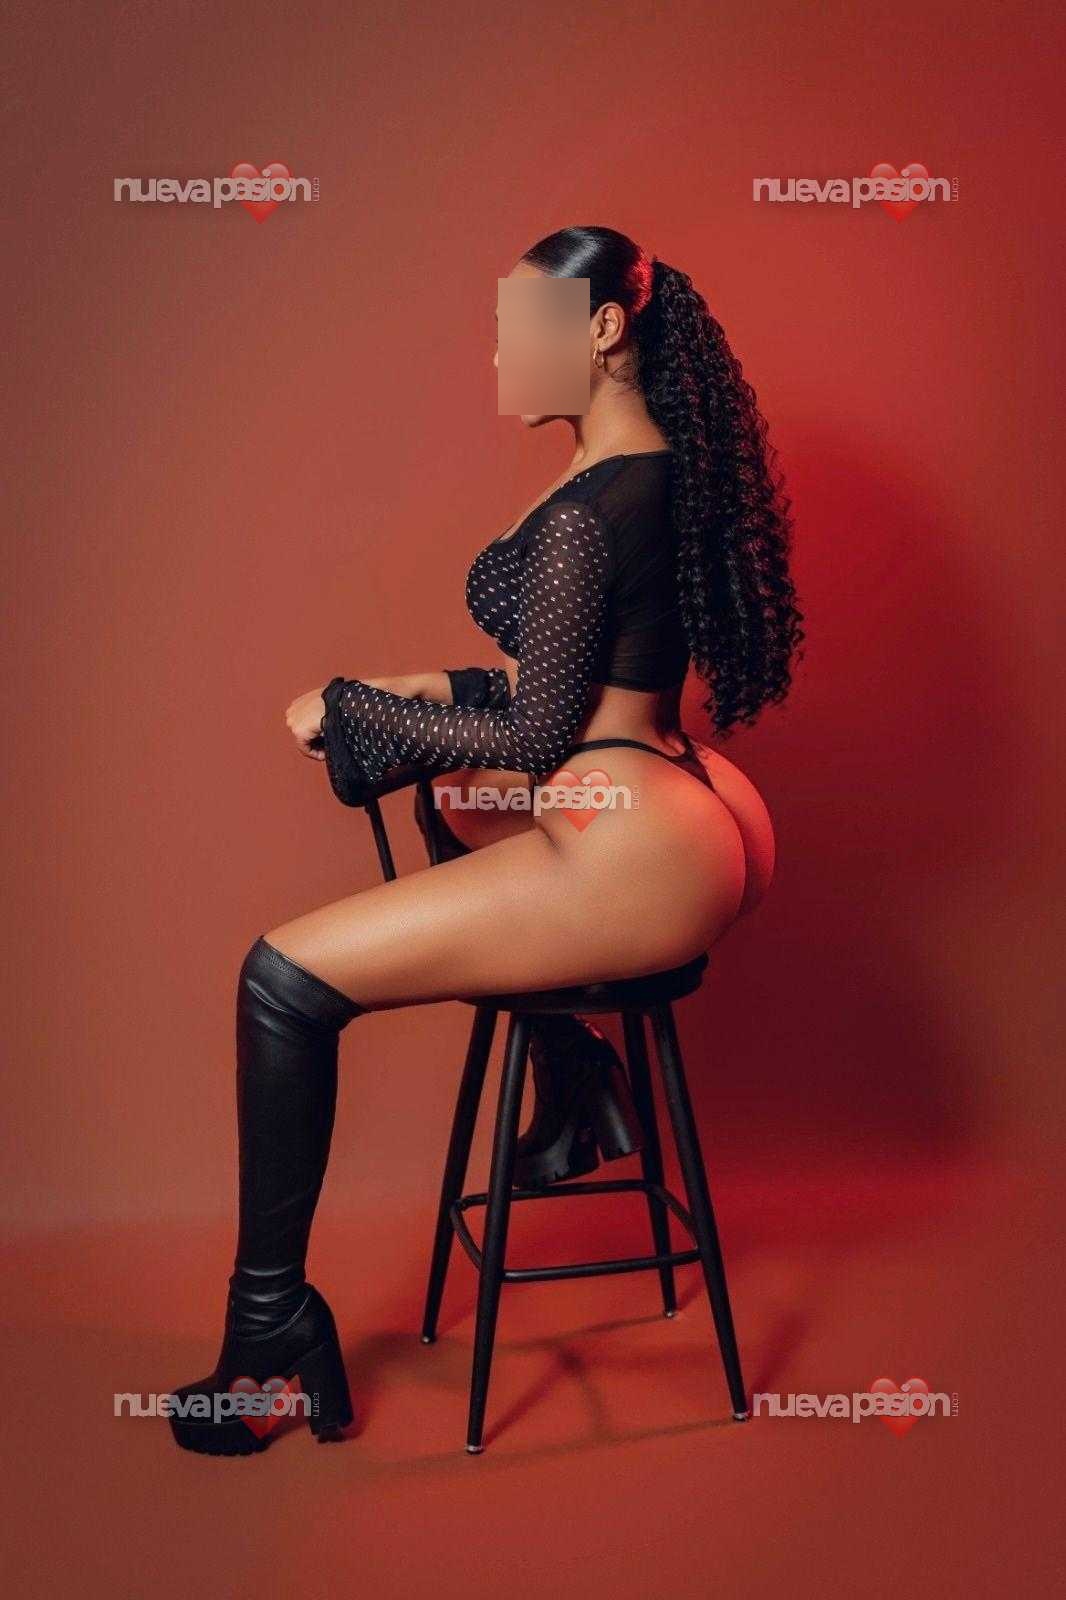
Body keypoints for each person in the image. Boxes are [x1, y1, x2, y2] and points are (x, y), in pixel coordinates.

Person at [168, 225, 803, 1455]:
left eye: (522, 329)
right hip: (687, 795)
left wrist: (354, 711)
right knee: (458, 782)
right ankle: (574, 1077)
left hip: (635, 843)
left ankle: (270, 1330)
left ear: (602, 331)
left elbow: (537, 729)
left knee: (279, 982)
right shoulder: (651, 467)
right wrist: (430, 691)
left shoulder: (589, 508)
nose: (501, 354)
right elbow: (580, 681)